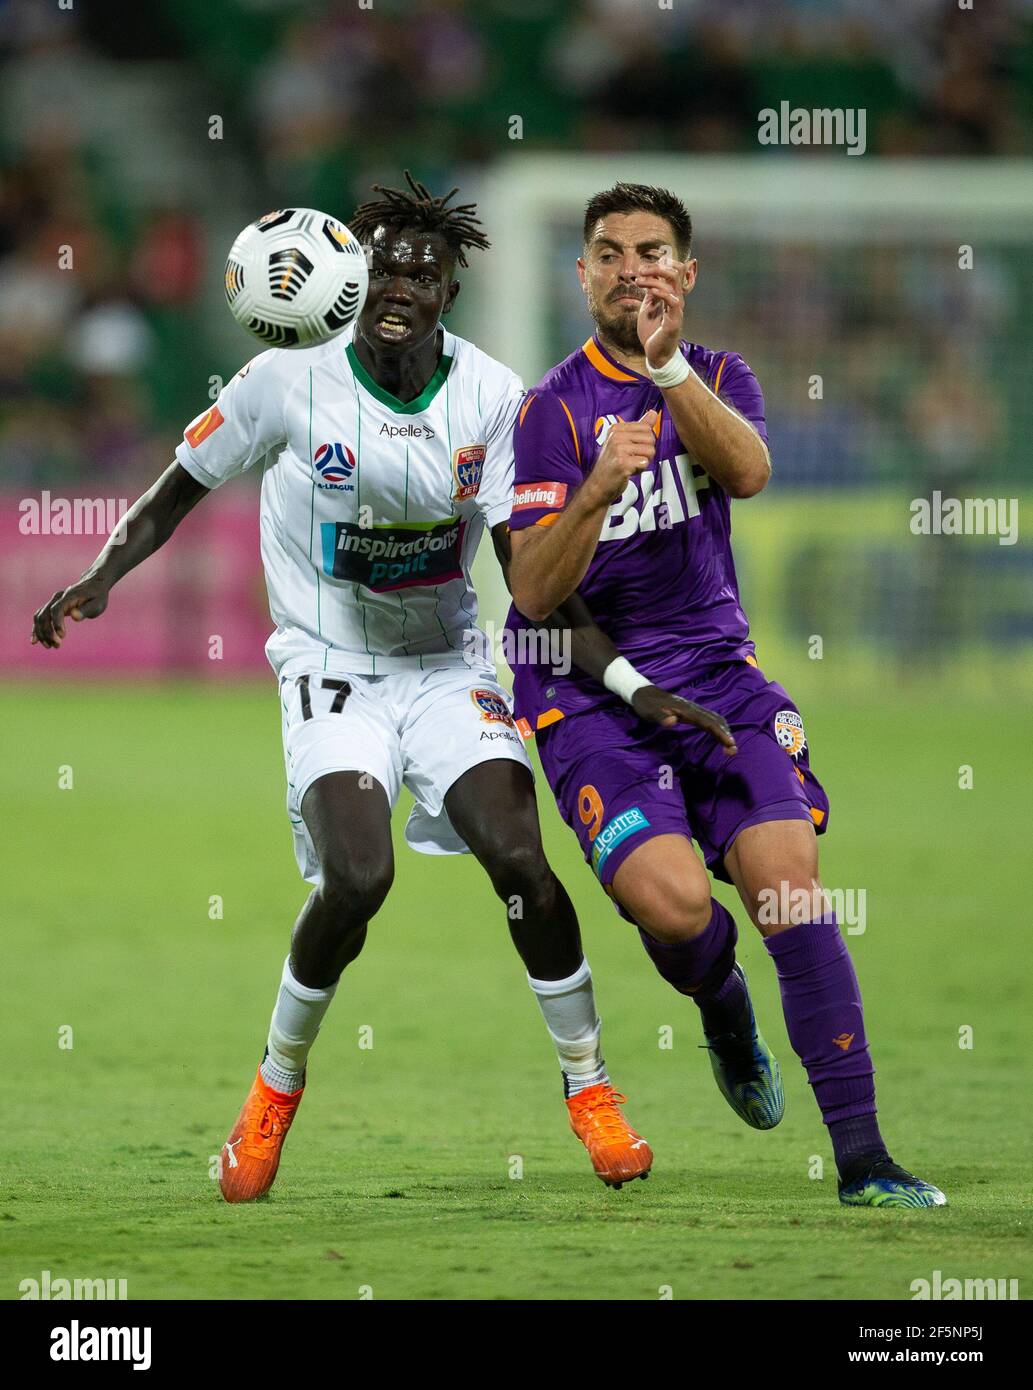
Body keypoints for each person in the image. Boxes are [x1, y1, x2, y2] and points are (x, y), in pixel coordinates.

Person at [30, 175, 654, 1200]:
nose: (399, 281)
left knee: (523, 864)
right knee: (358, 880)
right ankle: (275, 1089)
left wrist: (628, 682)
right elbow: (177, 487)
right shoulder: (285, 380)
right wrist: (100, 576)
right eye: (382, 264)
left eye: (422, 268)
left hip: (446, 666)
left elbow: (531, 580)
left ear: (450, 290)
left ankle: (589, 1090)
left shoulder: (497, 400)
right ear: (351, 276)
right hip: (330, 670)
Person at [505, 182, 946, 1208]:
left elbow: (745, 471)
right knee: (675, 905)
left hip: (718, 677)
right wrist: (598, 487)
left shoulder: (716, 376)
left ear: (686, 273)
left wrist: (664, 375)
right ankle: (719, 995)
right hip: (590, 693)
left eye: (651, 251)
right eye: (608, 252)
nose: (630, 268)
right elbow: (530, 592)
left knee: (789, 887)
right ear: (581, 274)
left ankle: (864, 1160)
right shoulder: (548, 411)